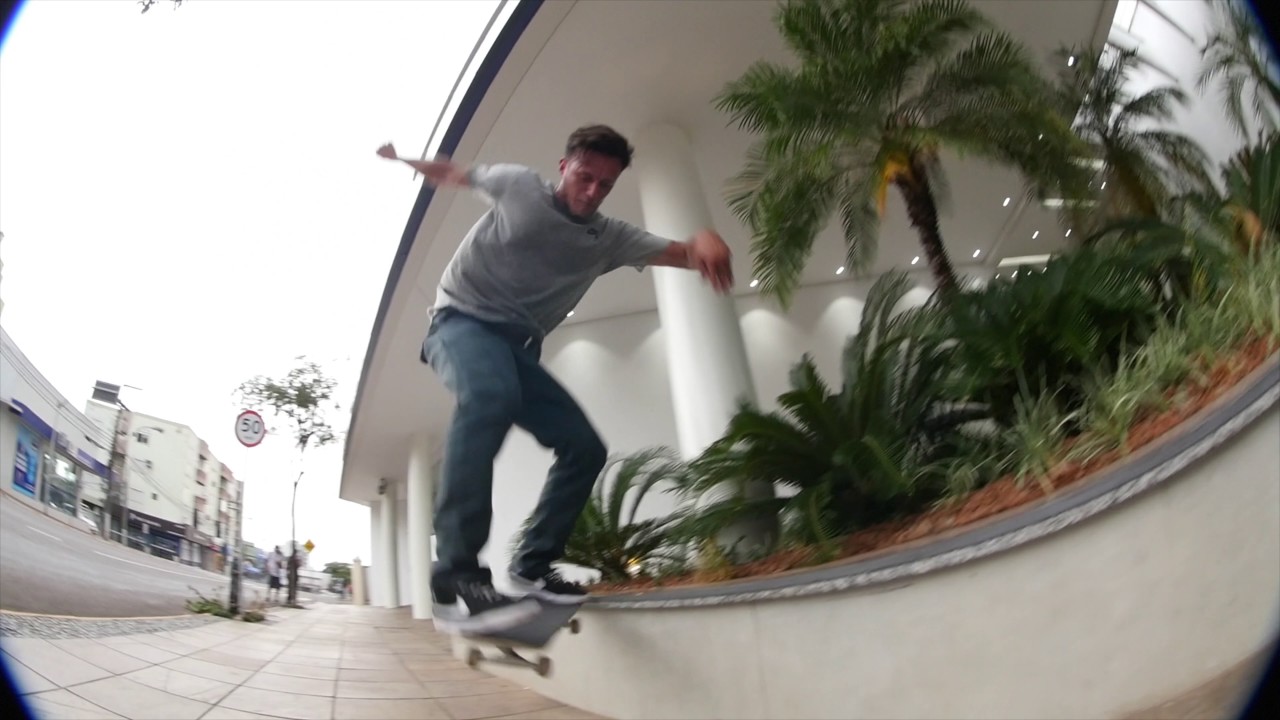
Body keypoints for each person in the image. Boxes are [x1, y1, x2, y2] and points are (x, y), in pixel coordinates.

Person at [376, 124, 734, 634]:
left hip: (518, 349)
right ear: (564, 166)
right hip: (459, 323)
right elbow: (454, 173)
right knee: (488, 396)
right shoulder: (518, 185)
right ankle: (455, 577)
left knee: (584, 447)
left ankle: (531, 565)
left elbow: (683, 252)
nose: (591, 194)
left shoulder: (609, 238)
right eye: (585, 178)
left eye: (604, 186)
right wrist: (407, 161)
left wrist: (705, 238)